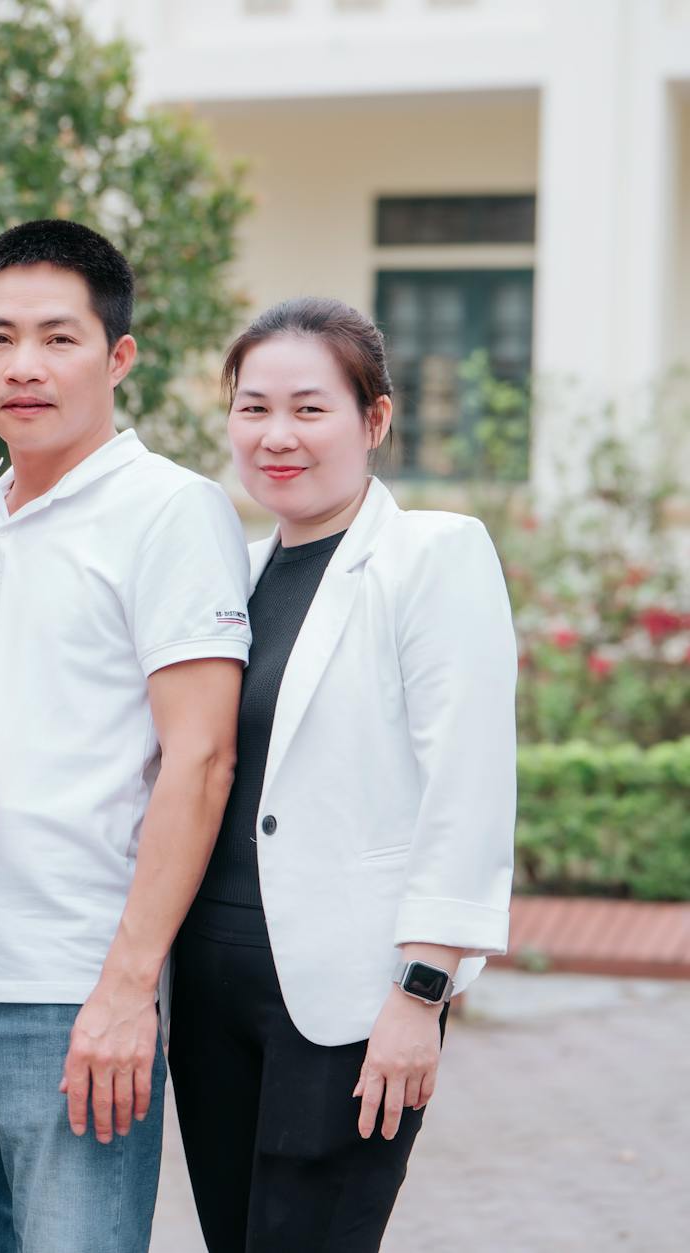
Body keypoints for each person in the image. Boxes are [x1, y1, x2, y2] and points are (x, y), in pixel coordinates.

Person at [0, 219, 250, 1252]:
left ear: (117, 356)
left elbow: (200, 758)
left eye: (56, 338)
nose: (21, 367)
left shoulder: (169, 511)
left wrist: (127, 986)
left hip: (65, 993)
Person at [169, 296, 516, 1252]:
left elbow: (470, 781)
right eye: (253, 407)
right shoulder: (227, 573)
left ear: (375, 418)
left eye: (310, 408)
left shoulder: (431, 556)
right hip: (206, 983)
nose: (277, 435)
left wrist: (422, 990)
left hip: (352, 998)